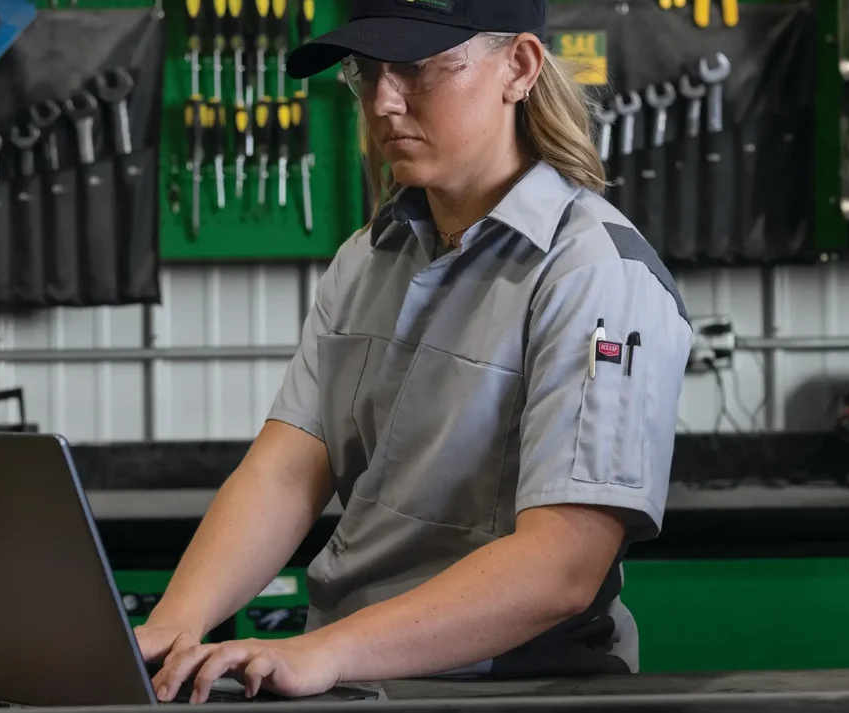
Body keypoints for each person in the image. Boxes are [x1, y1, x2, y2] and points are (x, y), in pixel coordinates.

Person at [137, 0, 694, 703]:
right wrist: (174, 624)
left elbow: (563, 564)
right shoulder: (368, 259)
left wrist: (327, 652)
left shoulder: (594, 274)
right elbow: (287, 470)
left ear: (518, 67)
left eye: (419, 70)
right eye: (366, 73)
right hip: (354, 675)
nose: (383, 101)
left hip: (513, 686)